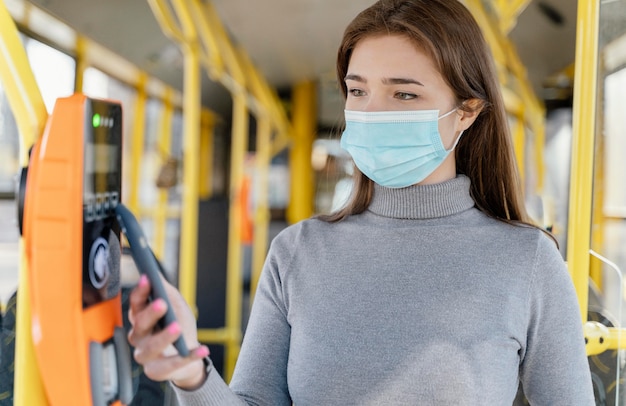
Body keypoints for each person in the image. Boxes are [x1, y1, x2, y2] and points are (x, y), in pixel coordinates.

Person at [128, 0, 595, 404]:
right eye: (357, 90)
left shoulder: (528, 260)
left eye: (404, 93)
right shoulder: (297, 252)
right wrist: (191, 372)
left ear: (467, 112)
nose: (371, 114)